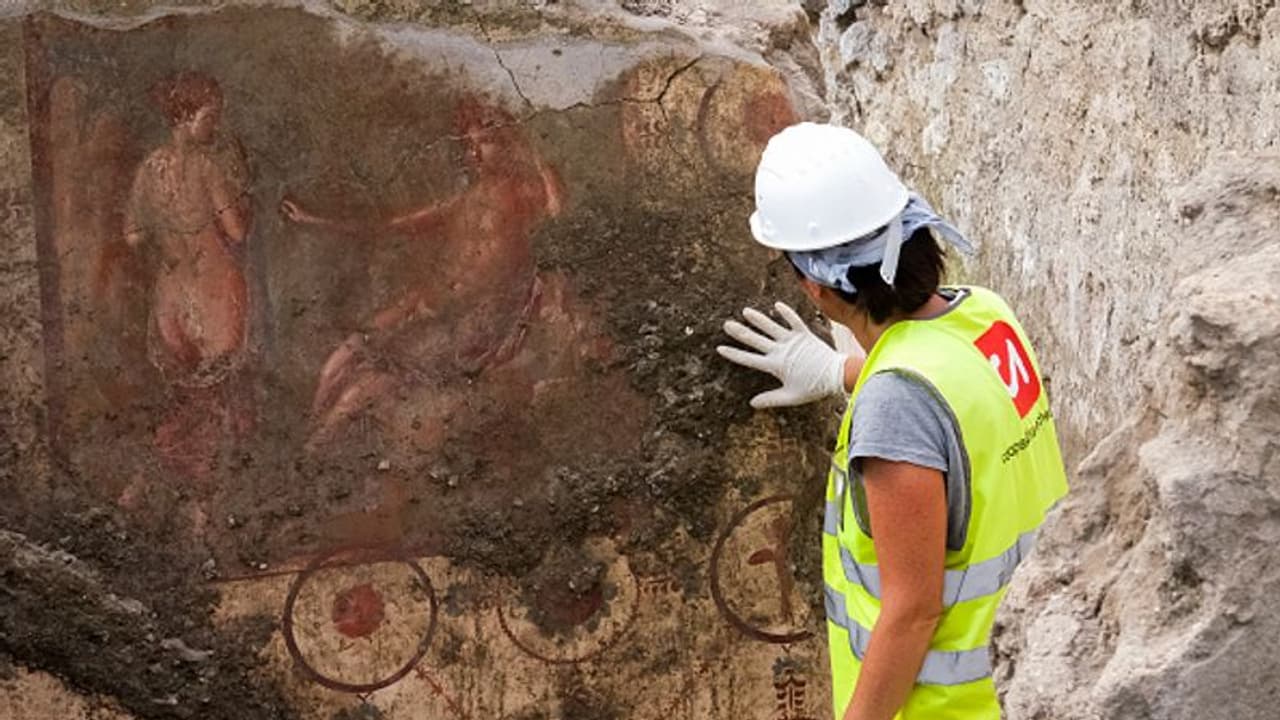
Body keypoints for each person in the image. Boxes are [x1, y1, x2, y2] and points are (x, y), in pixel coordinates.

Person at [717, 123, 1068, 720]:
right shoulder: (986, 316)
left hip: (950, 708)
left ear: (815, 288)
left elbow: (913, 611)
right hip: (1032, 675)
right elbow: (952, 402)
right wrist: (838, 373)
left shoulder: (895, 406)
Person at [280, 95, 565, 448]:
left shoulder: (526, 192)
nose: (473, 154)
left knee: (362, 389)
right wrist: (316, 220)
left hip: (478, 320)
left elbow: (561, 223)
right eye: (469, 145)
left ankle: (312, 452)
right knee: (343, 355)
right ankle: (306, 437)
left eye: (485, 143)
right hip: (433, 303)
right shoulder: (468, 198)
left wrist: (538, 159)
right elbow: (395, 225)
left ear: (508, 144)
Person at [124, 71, 254, 490]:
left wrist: (169, 229)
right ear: (187, 115)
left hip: (170, 298)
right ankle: (191, 501)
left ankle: (143, 483)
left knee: (187, 402)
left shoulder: (148, 168)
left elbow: (133, 236)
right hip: (213, 293)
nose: (214, 124)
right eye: (210, 115)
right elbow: (236, 232)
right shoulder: (206, 165)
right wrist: (243, 195)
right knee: (212, 406)